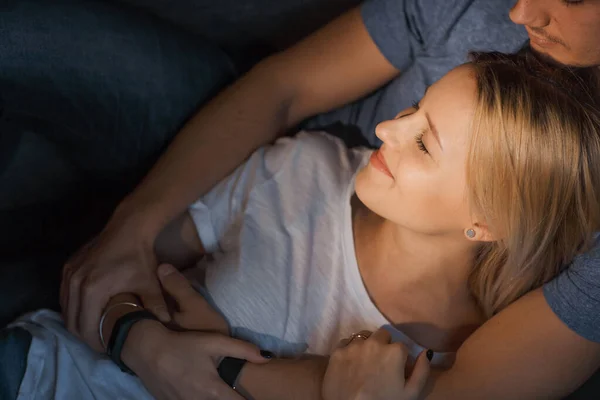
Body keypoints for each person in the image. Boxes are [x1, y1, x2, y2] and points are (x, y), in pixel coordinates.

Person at [8, 50, 600, 399]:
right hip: (48, 374)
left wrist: (228, 360)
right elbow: (112, 271)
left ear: (486, 221)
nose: (386, 131)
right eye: (410, 109)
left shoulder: (460, 368)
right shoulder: (306, 167)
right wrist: (137, 335)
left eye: (424, 144)